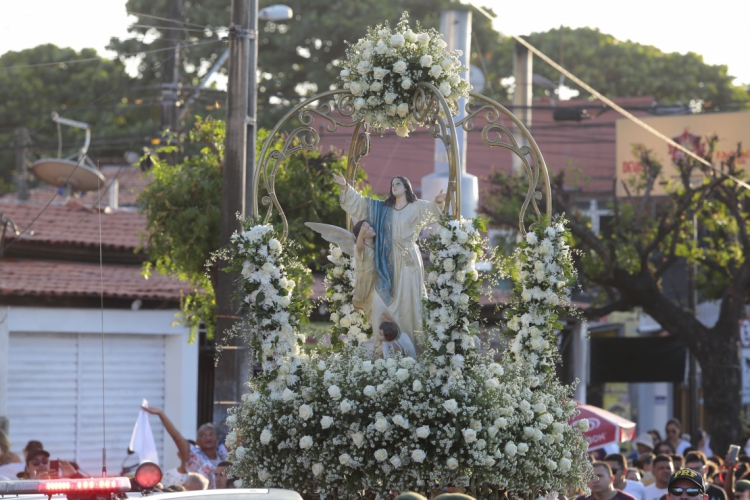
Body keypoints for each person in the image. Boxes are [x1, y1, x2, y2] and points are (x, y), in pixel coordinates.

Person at [335, 173, 446, 349]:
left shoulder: (415, 206)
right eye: (392, 184)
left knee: (409, 301)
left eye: (398, 184)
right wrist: (345, 188)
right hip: (385, 258)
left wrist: (438, 201)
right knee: (380, 299)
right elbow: (361, 203)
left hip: (408, 260)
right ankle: (384, 345)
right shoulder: (382, 208)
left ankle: (412, 346)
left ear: (406, 187)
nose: (394, 186)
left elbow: (431, 210)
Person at [142, 406, 227, 480]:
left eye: (211, 434)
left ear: (217, 439)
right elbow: (176, 437)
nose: (208, 437)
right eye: (203, 435)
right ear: (197, 441)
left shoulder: (224, 455)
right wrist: (161, 414)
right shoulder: (194, 455)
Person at [352, 219, 377, 319]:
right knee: (365, 305)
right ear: (362, 234)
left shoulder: (376, 245)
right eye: (367, 228)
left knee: (374, 305)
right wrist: (362, 232)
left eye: (370, 226)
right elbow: (359, 246)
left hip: (375, 280)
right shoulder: (361, 248)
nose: (371, 228)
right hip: (365, 281)